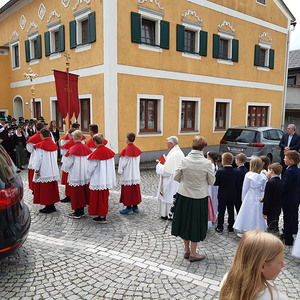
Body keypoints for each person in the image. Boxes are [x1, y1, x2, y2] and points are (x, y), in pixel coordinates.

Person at [171, 135, 215, 262]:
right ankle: (194, 253)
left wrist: (185, 181)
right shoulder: (207, 163)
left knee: (185, 222)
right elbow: (211, 181)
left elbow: (176, 177)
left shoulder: (184, 160)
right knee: (196, 223)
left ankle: (186, 250)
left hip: (184, 195)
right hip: (199, 197)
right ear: (203, 148)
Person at [219, 230, 287, 300]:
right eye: (280, 262)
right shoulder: (277, 297)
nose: (283, 266)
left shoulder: (227, 279)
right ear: (262, 266)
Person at [87, 134, 116, 223]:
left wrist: (88, 176)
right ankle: (103, 215)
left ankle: (101, 216)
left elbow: (90, 169)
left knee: (98, 198)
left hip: (98, 179)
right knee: (104, 198)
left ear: (95, 142)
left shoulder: (95, 153)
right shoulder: (109, 152)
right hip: (106, 179)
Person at [233, 158, 267, 233]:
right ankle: (257, 228)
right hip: (258, 195)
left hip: (249, 196)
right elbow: (263, 189)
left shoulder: (248, 175)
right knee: (257, 213)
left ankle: (246, 228)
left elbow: (245, 188)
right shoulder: (263, 176)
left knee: (247, 212)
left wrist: (243, 199)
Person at [64, 130, 92, 219]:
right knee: (82, 193)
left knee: (76, 194)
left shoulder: (73, 149)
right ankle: (82, 210)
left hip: (76, 174)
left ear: (74, 137)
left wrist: (66, 168)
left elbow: (69, 163)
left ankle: (77, 212)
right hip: (84, 174)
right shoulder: (86, 148)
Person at [32, 128, 60, 213]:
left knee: (46, 190)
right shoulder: (54, 145)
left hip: (44, 170)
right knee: (52, 188)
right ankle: (52, 205)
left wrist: (36, 170)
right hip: (52, 169)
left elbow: (38, 160)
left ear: (41, 135)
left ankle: (48, 206)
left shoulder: (40, 146)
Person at [156, 136, 184, 220]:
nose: (166, 145)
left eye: (167, 143)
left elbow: (166, 172)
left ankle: (167, 214)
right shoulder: (178, 152)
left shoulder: (173, 154)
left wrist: (159, 165)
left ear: (171, 144)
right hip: (176, 180)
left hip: (171, 181)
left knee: (168, 196)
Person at [214, 153, 241, 233]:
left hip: (222, 194)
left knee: (221, 211)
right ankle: (230, 227)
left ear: (223, 161)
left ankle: (220, 226)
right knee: (231, 210)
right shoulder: (236, 172)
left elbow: (216, 183)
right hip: (232, 194)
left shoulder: (220, 172)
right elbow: (237, 183)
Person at [118, 132, 142, 215]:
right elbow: (138, 162)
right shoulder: (137, 150)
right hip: (135, 173)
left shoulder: (126, 151)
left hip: (128, 173)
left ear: (127, 139)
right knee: (134, 189)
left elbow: (122, 163)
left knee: (128, 190)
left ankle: (128, 208)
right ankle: (135, 206)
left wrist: (120, 171)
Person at [280, 150, 300, 246]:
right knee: (293, 215)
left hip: (288, 198)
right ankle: (292, 231)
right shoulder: (297, 170)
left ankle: (288, 238)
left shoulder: (290, 171)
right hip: (295, 197)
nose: (284, 159)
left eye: (285, 158)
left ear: (291, 161)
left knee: (287, 217)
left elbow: (285, 186)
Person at [260, 163, 283, 234]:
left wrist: (264, 212)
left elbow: (268, 197)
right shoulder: (281, 182)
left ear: (272, 171)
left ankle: (272, 235)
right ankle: (275, 231)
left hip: (270, 208)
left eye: (268, 170)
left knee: (270, 223)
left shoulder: (270, 183)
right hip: (278, 206)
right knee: (275, 221)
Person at [26, 123, 44, 192]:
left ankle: (35, 188)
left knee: (34, 171)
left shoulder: (32, 138)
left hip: (34, 156)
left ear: (36, 129)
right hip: (44, 158)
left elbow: (29, 149)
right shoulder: (46, 137)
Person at [60, 128, 77, 203]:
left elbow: (63, 153)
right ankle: (73, 195)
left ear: (70, 135)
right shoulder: (79, 143)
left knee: (68, 180)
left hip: (68, 163)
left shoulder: (67, 144)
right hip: (77, 165)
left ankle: (69, 195)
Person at [207, 151, 219, 217]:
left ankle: (210, 214)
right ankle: (213, 212)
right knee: (214, 198)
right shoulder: (215, 165)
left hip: (210, 185)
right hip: (214, 185)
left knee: (211, 198)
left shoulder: (210, 165)